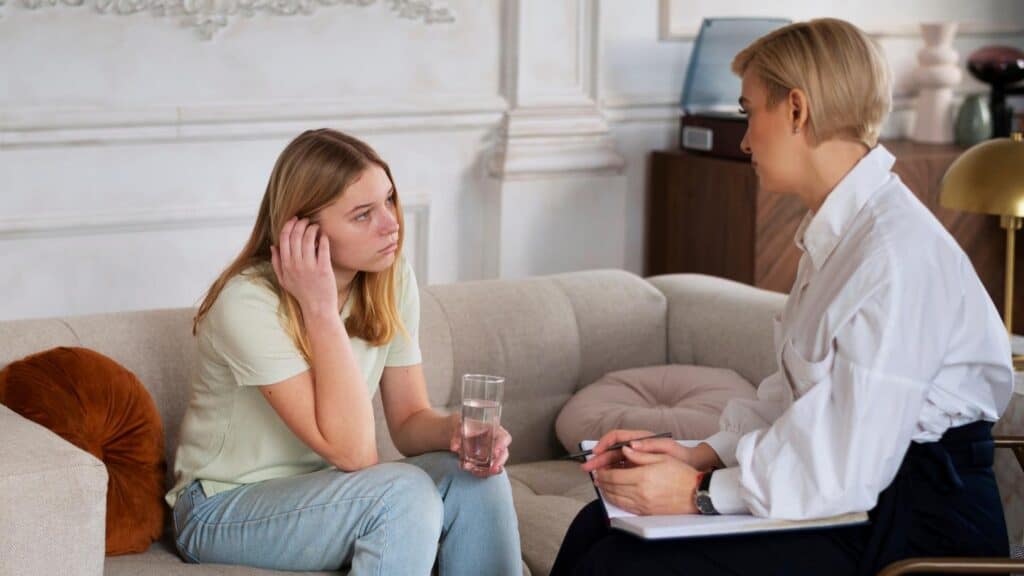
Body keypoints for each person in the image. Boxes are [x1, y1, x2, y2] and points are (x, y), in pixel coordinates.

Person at [552, 18, 1012, 576]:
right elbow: (798, 396)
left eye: (749, 112)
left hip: (913, 522)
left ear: (796, 110)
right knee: (595, 525)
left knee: (626, 565)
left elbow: (848, 468)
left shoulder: (894, 257)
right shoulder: (840, 234)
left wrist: (695, 492)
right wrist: (698, 452)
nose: (744, 139)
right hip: (853, 495)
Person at [166, 128, 522, 575]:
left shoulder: (391, 279)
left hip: (326, 491)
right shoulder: (248, 303)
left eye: (389, 200)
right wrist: (319, 307)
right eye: (362, 215)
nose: (391, 223)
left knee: (477, 477)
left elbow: (409, 422)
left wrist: (455, 430)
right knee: (403, 494)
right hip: (219, 509)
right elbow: (355, 454)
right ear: (302, 231)